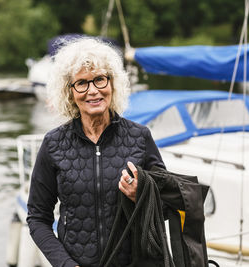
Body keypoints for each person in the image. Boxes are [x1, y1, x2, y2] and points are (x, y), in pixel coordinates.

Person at [26, 37, 165, 267]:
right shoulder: (54, 144)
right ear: (69, 92)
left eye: (100, 79)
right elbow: (38, 218)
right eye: (82, 83)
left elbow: (168, 201)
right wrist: (65, 264)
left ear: (112, 83)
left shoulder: (140, 137)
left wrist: (141, 194)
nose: (93, 91)